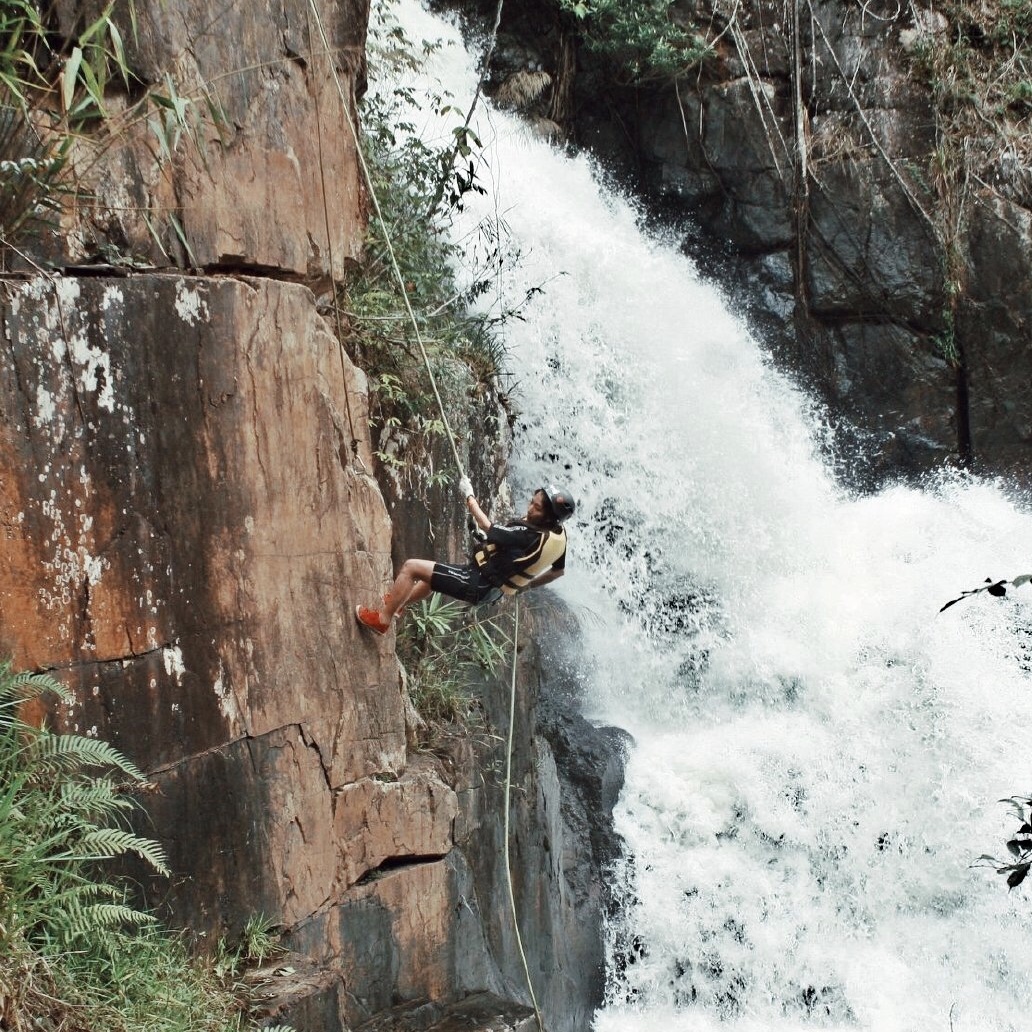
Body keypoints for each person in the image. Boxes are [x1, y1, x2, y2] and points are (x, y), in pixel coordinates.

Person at [355, 477, 576, 635]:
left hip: (478, 583)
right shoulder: (558, 536)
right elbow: (559, 571)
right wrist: (526, 586)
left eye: (536, 508)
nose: (529, 509)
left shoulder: (529, 534)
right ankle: (399, 604)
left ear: (549, 518)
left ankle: (382, 620)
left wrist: (470, 498)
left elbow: (490, 528)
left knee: (411, 567)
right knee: (431, 577)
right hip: (489, 586)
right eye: (532, 502)